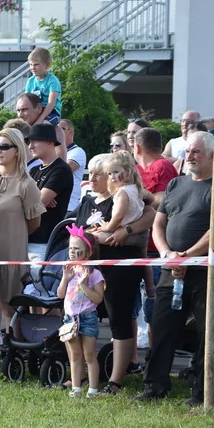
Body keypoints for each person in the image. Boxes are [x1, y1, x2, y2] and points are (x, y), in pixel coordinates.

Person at [136, 132, 214, 403]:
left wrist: (188, 256)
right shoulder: (176, 185)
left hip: (207, 272)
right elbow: (158, 223)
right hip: (172, 269)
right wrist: (169, 254)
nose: (189, 156)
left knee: (208, 333)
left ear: (212, 156)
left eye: (196, 152)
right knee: (163, 326)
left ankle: (203, 393)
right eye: (188, 151)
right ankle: (154, 386)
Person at [74, 154, 155, 394]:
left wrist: (125, 230)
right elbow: (79, 232)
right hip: (90, 266)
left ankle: (115, 380)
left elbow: (150, 213)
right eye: (93, 173)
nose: (95, 177)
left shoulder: (124, 194)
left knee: (119, 319)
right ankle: (82, 374)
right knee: (81, 318)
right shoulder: (88, 201)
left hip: (119, 265)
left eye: (101, 172)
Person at [134, 127, 179, 344]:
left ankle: (155, 354)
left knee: (155, 309)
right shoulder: (135, 168)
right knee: (136, 307)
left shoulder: (163, 166)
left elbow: (162, 199)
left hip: (155, 248)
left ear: (137, 146)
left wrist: (136, 195)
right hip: (136, 246)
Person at [57, 224, 105, 398]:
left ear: (88, 253)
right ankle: (76, 388)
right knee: (75, 355)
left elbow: (98, 298)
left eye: (77, 249)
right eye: (70, 248)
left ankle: (92, 390)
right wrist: (65, 279)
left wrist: (84, 284)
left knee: (90, 355)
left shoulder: (94, 274)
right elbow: (60, 294)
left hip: (88, 318)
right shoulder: (70, 270)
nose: (72, 252)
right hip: (70, 319)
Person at [26, 123, 74, 280]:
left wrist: (38, 199)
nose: (31, 146)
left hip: (44, 242)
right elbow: (31, 200)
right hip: (28, 238)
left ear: (50, 142)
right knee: (28, 293)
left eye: (35, 141)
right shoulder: (33, 170)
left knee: (42, 292)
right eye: (29, 141)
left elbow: (36, 204)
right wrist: (38, 199)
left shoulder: (61, 169)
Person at [91, 152, 144, 237]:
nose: (112, 176)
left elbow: (119, 216)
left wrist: (108, 227)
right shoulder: (135, 188)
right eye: (109, 173)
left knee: (91, 238)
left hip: (127, 234)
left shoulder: (123, 192)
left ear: (128, 172)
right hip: (140, 233)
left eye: (116, 172)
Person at [14, 94, 67, 161]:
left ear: (39, 108)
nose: (20, 115)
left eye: (24, 109)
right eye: (18, 111)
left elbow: (60, 165)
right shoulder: (16, 130)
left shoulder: (55, 131)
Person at [24, 47, 62, 126]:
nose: (32, 68)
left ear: (47, 65)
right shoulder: (30, 81)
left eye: (36, 64)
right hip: (37, 111)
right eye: (31, 64)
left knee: (44, 125)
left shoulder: (53, 81)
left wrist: (40, 119)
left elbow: (51, 103)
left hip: (51, 112)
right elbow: (27, 101)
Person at [61, 119, 87, 213]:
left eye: (62, 129)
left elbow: (61, 173)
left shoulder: (78, 152)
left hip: (69, 206)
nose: (58, 132)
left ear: (71, 131)